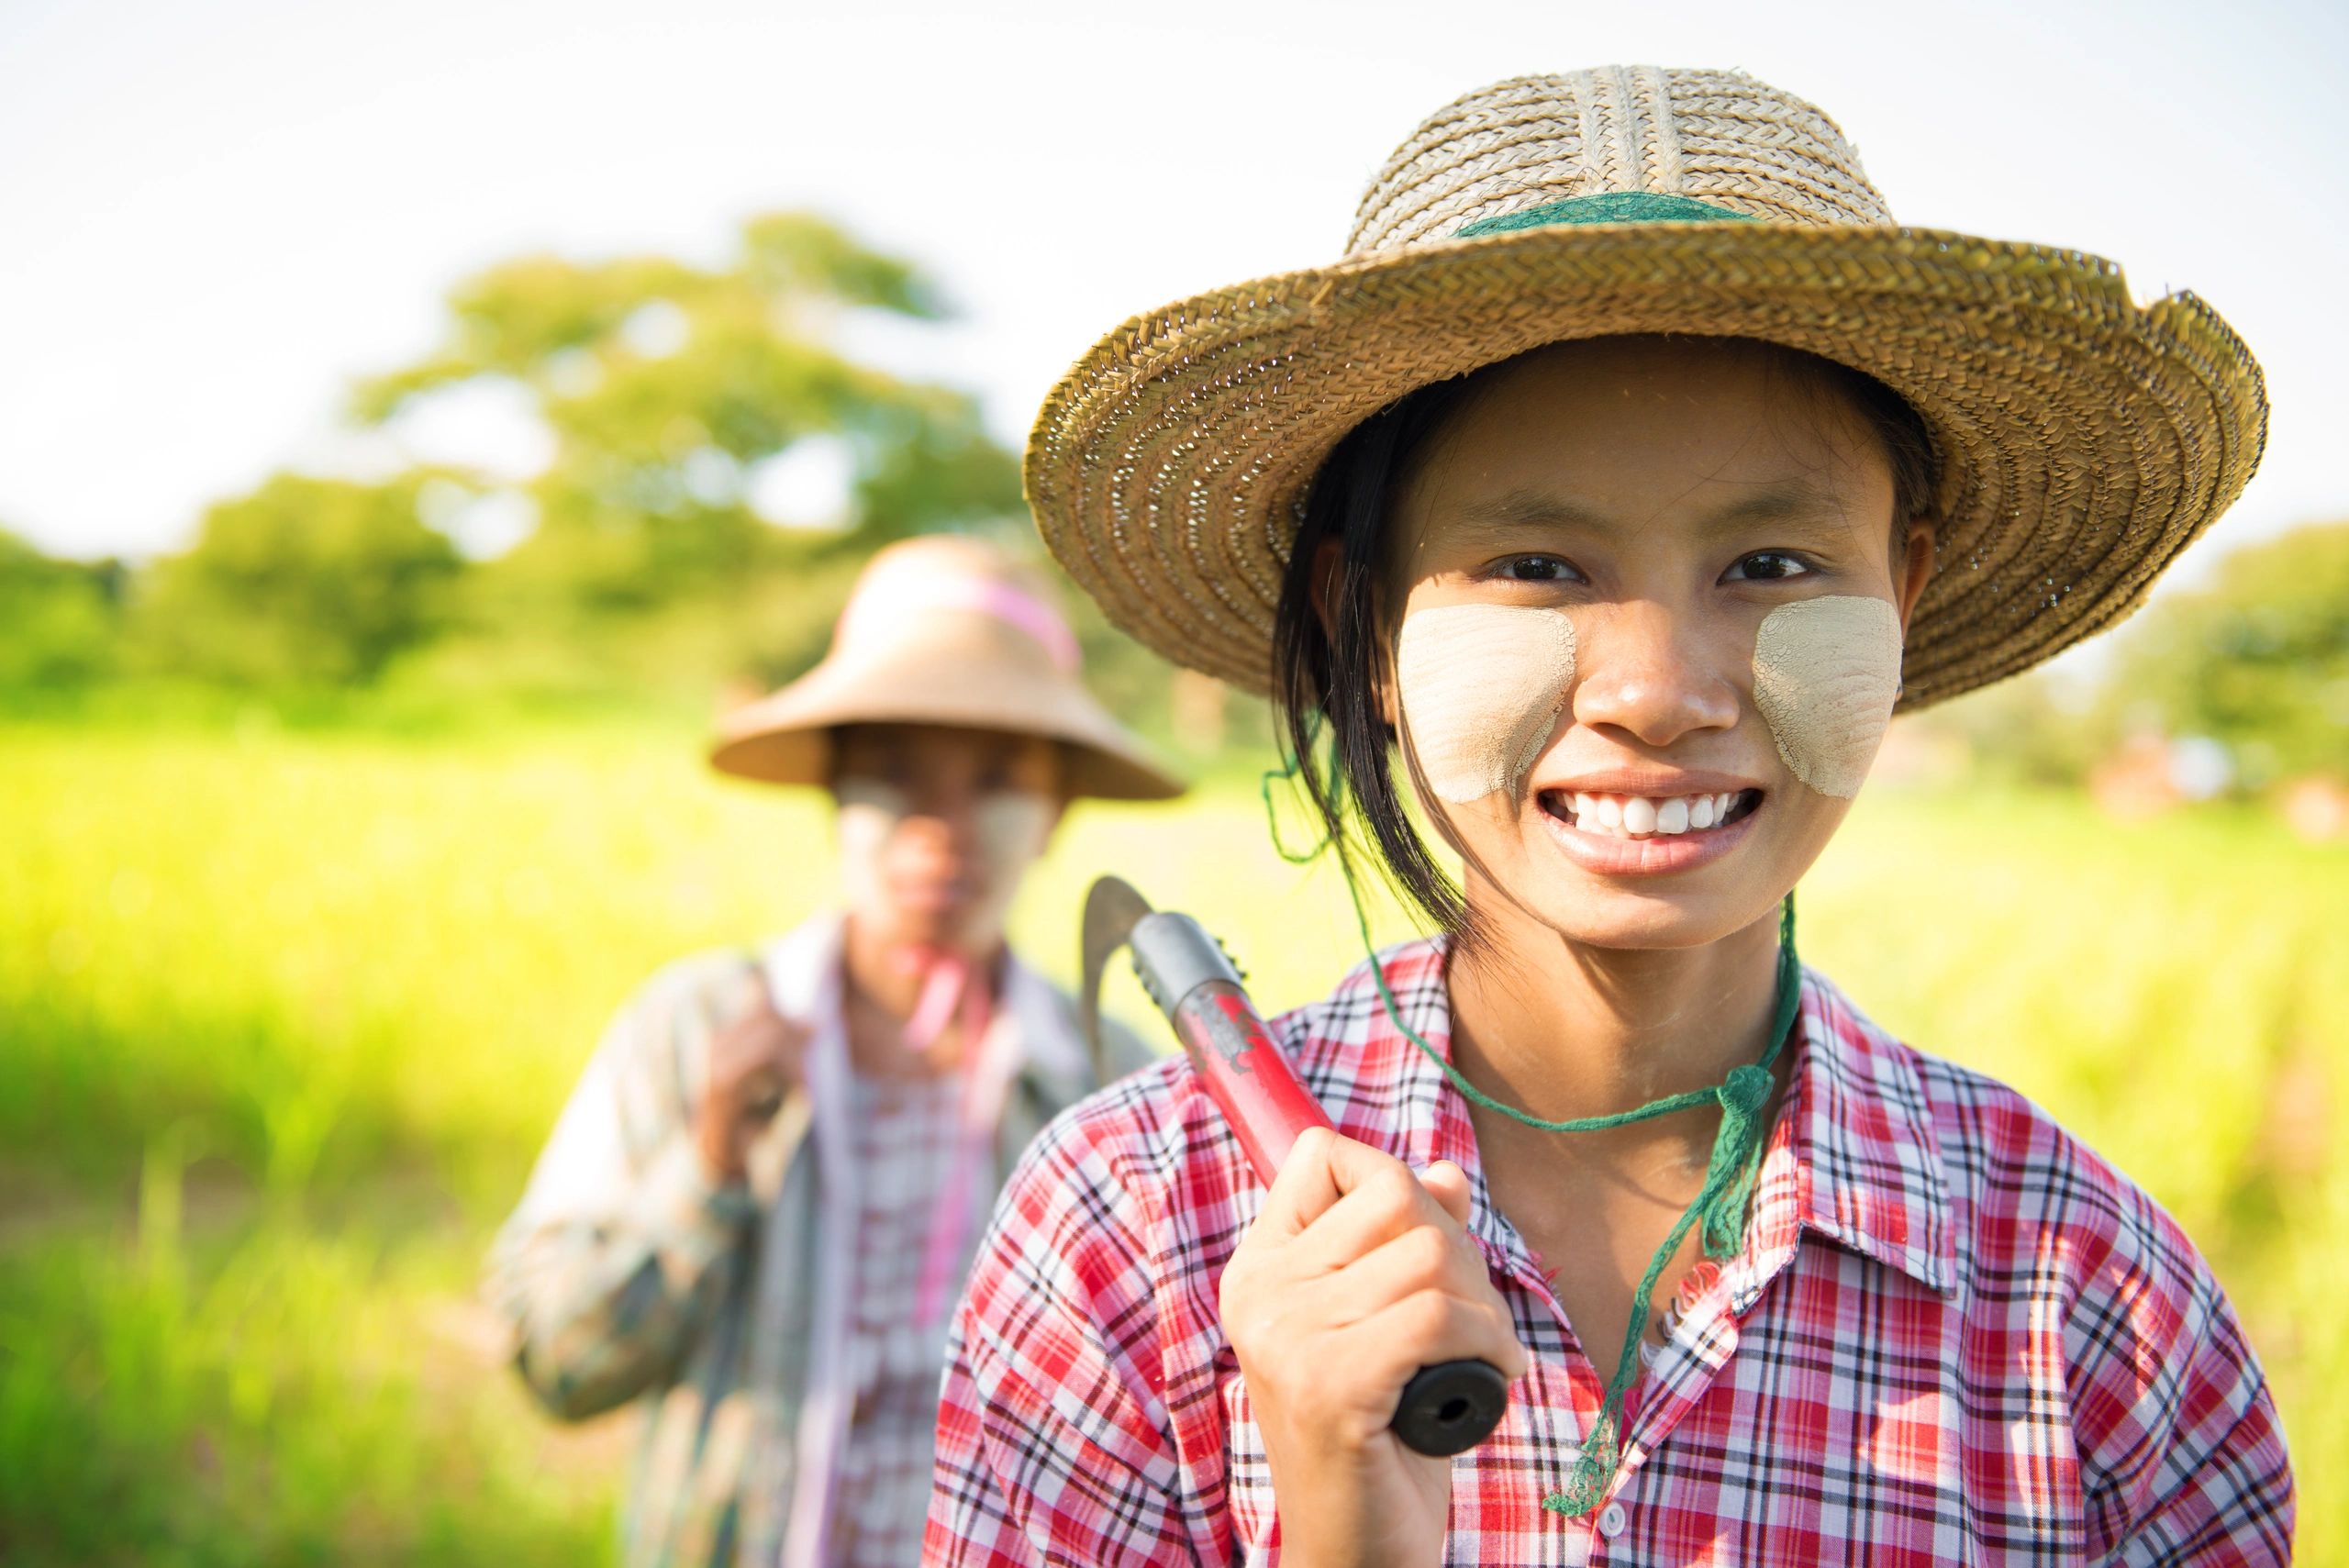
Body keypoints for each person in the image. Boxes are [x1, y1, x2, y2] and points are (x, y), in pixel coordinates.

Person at [929, 68, 2292, 1564]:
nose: (1655, 690)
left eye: (1771, 563)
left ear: (1898, 595)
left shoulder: (2086, 1300)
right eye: (1540, 565)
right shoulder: (1131, 1234)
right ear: (1364, 623)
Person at [486, 535, 1181, 1568]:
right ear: (834, 798)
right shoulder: (698, 1030)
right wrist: (711, 1161)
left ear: (1054, 815)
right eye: (894, 775)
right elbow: (557, 1361)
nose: (940, 828)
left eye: (993, 778)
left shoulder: (1105, 1077)